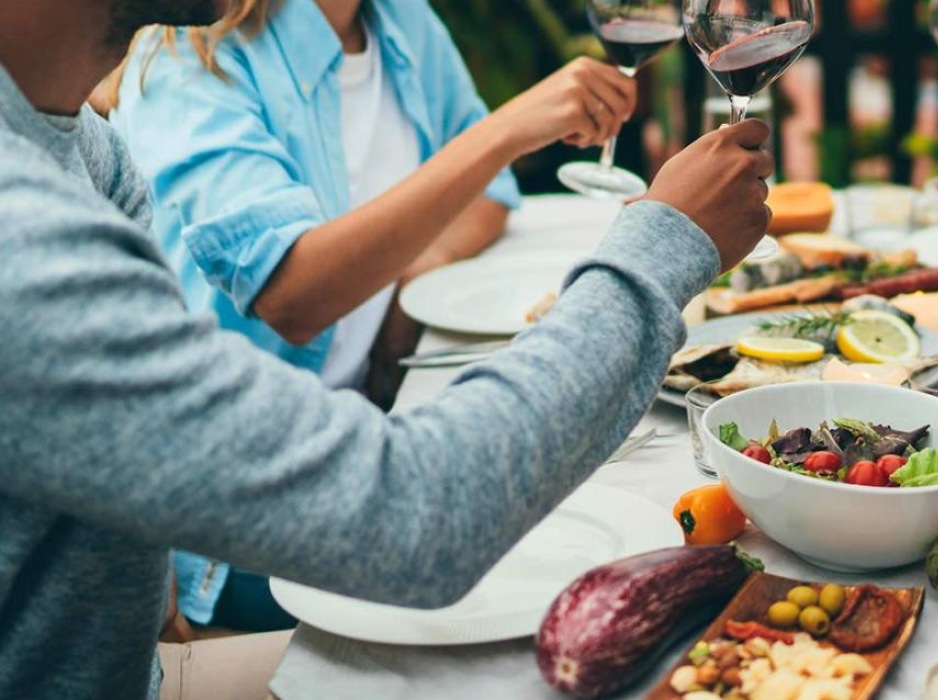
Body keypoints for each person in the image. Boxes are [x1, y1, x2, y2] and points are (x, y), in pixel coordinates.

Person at [0, 0, 774, 695]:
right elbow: (414, 514)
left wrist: (402, 296)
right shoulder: (25, 242)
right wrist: (661, 246)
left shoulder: (81, 147)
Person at [104, 0, 637, 636]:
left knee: (597, 534)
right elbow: (291, 296)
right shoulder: (190, 60)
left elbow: (486, 197)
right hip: (239, 510)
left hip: (367, 435)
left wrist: (409, 277)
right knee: (555, 580)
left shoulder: (397, 20)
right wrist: (503, 132)